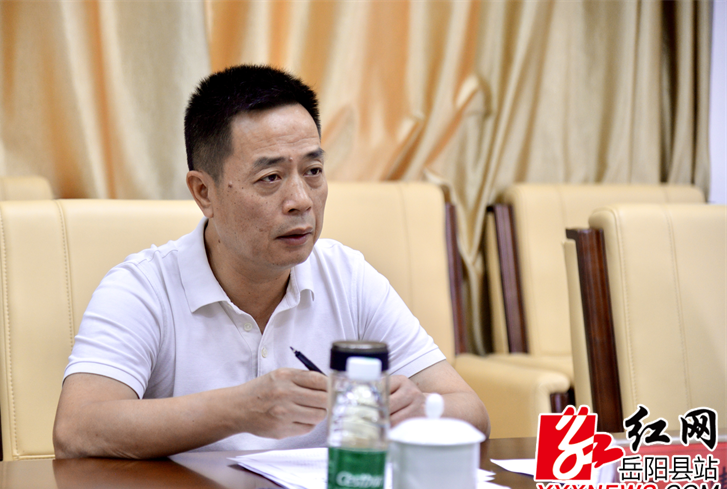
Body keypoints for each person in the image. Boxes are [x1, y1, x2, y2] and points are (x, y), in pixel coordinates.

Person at [53, 65, 489, 459]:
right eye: (270, 178)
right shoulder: (143, 286)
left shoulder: (347, 276)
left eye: (313, 171)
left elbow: (472, 412)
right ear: (204, 192)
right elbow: (77, 428)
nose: (301, 201)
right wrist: (240, 408)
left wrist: (421, 408)